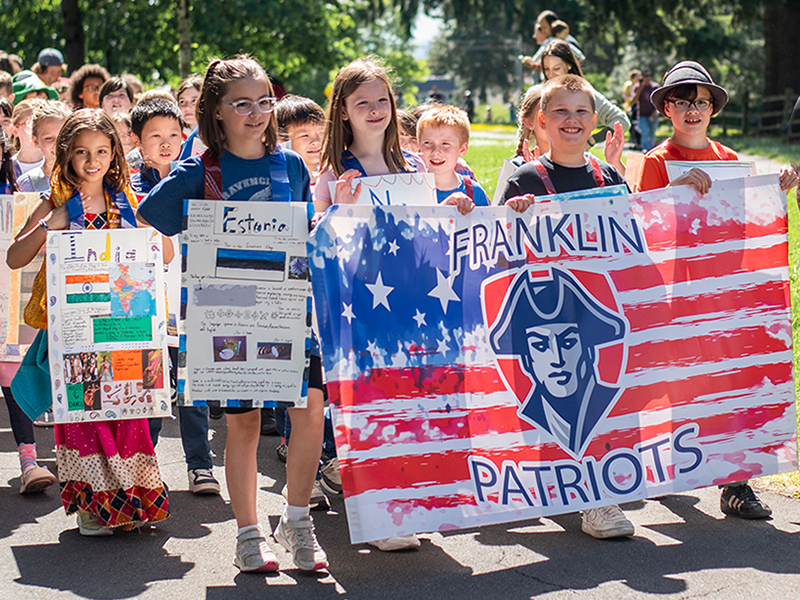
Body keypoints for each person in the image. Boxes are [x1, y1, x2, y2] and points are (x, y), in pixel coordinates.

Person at [138, 55, 328, 572]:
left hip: (288, 310)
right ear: (215, 112)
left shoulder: (290, 164)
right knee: (243, 424)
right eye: (241, 103)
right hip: (226, 315)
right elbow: (150, 212)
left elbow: (304, 231)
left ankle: (296, 521)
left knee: (310, 409)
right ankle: (248, 535)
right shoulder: (202, 169)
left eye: (263, 101)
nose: (256, 112)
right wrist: (191, 187)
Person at [7, 108, 170, 535]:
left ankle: (131, 501)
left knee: (126, 414)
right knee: (84, 416)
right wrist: (51, 224)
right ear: (67, 155)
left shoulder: (128, 201)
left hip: (124, 331)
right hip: (75, 332)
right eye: (81, 152)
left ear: (115, 154)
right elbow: (14, 257)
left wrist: (147, 232)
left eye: (101, 150)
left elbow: (166, 254)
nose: (92, 160)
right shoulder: (55, 202)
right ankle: (91, 506)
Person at [500, 75, 635, 539]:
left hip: (594, 309)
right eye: (560, 112)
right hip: (547, 316)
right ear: (542, 121)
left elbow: (636, 239)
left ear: (595, 121)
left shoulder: (609, 177)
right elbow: (498, 255)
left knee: (599, 402)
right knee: (555, 405)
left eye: (581, 112)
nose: (571, 120)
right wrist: (513, 217)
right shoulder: (524, 179)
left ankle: (597, 497)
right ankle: (573, 491)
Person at [315, 57, 427, 551]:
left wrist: (456, 208)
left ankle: (407, 499)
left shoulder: (415, 167)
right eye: (363, 102)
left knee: (409, 402)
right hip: (358, 309)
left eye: (383, 100)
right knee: (370, 407)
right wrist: (336, 209)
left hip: (414, 305)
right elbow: (317, 245)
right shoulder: (333, 173)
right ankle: (381, 513)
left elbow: (431, 236)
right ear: (343, 111)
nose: (376, 109)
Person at [539, 41, 630, 142]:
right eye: (546, 69)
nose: (551, 74)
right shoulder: (537, 94)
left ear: (569, 65)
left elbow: (622, 121)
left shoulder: (584, 95)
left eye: (557, 68)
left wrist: (592, 141)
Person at [416, 104, 489, 209]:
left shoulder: (474, 192)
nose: (436, 151)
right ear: (419, 146)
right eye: (428, 143)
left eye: (445, 144)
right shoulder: (413, 190)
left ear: (462, 150)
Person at [129, 97, 184, 194]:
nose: (166, 144)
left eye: (173, 135)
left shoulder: (191, 179)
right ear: (136, 139)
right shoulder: (131, 188)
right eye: (156, 135)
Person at [17, 101, 71, 193]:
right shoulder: (27, 183)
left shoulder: (86, 177)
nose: (57, 143)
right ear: (36, 141)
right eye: (49, 138)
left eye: (63, 136)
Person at [275, 95, 325, 188]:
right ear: (281, 140)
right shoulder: (280, 184)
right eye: (304, 135)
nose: (316, 141)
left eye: (321, 133)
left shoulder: (333, 178)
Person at [522, 10, 585, 81]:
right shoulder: (547, 43)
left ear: (552, 25)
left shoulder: (568, 42)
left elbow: (579, 60)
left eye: (544, 28)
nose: (542, 31)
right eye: (540, 28)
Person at [9, 99, 47, 178]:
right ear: (15, 130)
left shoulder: (58, 167)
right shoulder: (6, 169)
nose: (37, 132)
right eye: (30, 126)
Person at [631, 69, 659, 152]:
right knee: (645, 133)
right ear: (642, 77)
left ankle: (651, 151)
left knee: (652, 134)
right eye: (645, 76)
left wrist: (656, 111)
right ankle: (646, 150)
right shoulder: (637, 87)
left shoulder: (655, 87)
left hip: (653, 114)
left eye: (649, 76)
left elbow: (659, 101)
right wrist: (639, 89)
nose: (647, 78)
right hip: (642, 115)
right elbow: (633, 101)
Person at [622, 70, 642, 149]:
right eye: (638, 76)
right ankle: (634, 142)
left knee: (636, 125)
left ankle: (638, 143)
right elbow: (625, 95)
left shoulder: (640, 85)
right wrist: (630, 100)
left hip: (637, 108)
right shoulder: (628, 84)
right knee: (632, 127)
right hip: (630, 107)